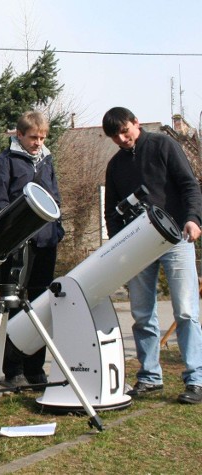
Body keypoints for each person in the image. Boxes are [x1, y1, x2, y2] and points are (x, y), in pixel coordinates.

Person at [102, 106, 202, 404]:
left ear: (136, 123)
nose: (122, 139)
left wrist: (194, 219)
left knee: (185, 310)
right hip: (137, 247)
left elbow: (189, 185)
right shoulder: (115, 165)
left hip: (177, 239)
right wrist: (119, 245)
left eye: (125, 131)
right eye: (114, 136)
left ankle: (196, 378)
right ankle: (149, 377)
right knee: (142, 313)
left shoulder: (163, 145)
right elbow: (111, 212)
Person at [0, 110, 63, 388]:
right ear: (19, 134)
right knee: (17, 306)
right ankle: (13, 368)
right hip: (19, 245)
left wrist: (58, 228)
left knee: (41, 305)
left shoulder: (46, 162)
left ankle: (35, 368)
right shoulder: (2, 163)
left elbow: (54, 197)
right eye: (33, 137)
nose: (38, 142)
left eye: (42, 137)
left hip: (46, 243)